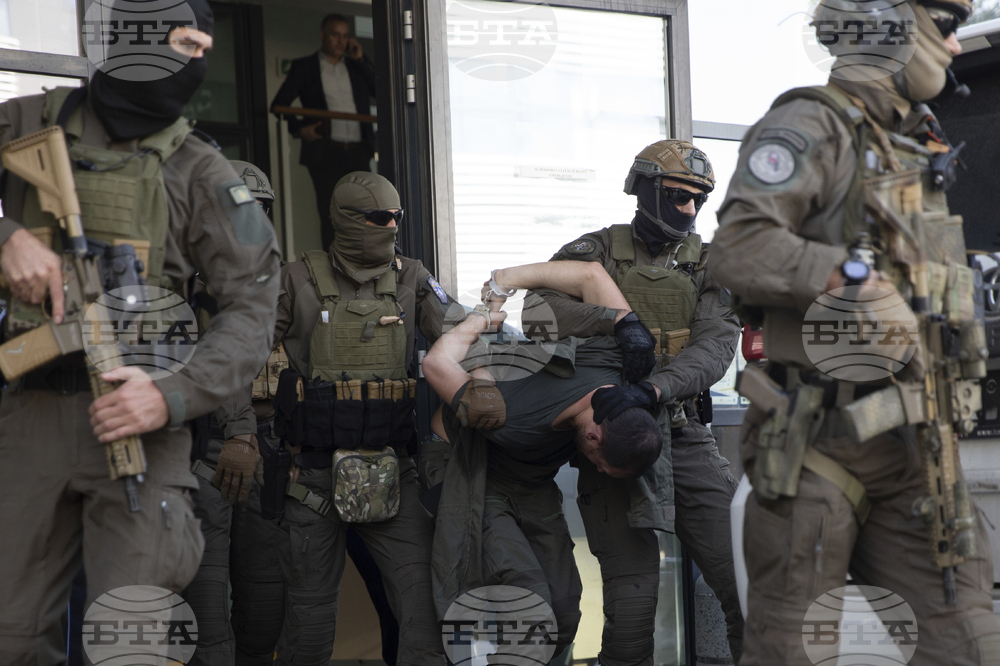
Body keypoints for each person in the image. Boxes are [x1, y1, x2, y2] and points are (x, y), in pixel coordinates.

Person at [707, 1, 1000, 664]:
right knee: (789, 650)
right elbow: (737, 248)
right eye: (946, 27)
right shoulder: (810, 124)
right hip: (816, 443)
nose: (955, 49)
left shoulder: (914, 141)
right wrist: (852, 278)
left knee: (968, 644)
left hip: (916, 449)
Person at [0, 2, 281, 662]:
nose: (199, 61)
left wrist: (172, 395)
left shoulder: (201, 170)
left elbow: (253, 306)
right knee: (11, 638)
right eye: (184, 43)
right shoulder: (24, 124)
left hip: (140, 423)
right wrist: (6, 237)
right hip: (29, 415)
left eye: (205, 48)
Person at [533, 140, 743, 663]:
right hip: (612, 443)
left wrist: (653, 388)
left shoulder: (711, 264)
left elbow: (715, 349)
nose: (689, 209)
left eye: (699, 199)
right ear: (644, 189)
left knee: (748, 584)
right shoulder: (597, 252)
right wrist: (617, 323)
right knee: (631, 607)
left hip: (683, 433)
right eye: (677, 195)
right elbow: (539, 309)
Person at [254, 171, 461, 666]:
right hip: (310, 478)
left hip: (393, 473)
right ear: (346, 219)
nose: (391, 226)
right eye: (379, 217)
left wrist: (499, 363)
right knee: (309, 624)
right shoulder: (295, 279)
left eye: (396, 217)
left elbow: (460, 337)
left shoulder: (412, 278)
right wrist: (246, 436)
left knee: (425, 607)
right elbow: (236, 359)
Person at [421, 259, 665, 661]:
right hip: (469, 469)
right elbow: (435, 364)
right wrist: (483, 318)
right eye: (600, 465)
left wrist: (508, 280)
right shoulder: (506, 414)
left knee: (565, 612)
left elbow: (591, 274)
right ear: (593, 436)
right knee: (527, 602)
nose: (597, 471)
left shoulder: (619, 364)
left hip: (530, 480)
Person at [176, 160, 277, 666]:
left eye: (260, 209)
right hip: (206, 456)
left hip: (267, 453)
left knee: (266, 606)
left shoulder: (279, 282)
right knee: (208, 611)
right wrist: (240, 431)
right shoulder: (182, 284)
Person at [271, 13, 377, 250]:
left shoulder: (356, 66)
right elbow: (279, 104)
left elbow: (380, 91)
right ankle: (333, 264)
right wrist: (301, 130)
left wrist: (361, 59)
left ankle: (365, 259)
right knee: (331, 213)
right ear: (322, 35)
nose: (340, 41)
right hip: (326, 151)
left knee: (365, 211)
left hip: (358, 150)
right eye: (335, 35)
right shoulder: (305, 67)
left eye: (345, 36)